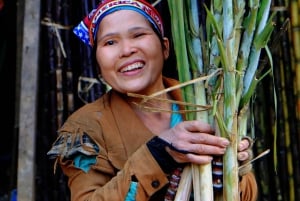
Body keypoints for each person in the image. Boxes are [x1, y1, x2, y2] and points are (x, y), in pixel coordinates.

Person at [47, 0, 258, 200]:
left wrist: (234, 171)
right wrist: (159, 154)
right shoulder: (79, 130)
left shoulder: (208, 102)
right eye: (110, 42)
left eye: (138, 35)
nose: (127, 50)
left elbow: (247, 196)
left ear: (165, 48)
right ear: (98, 63)